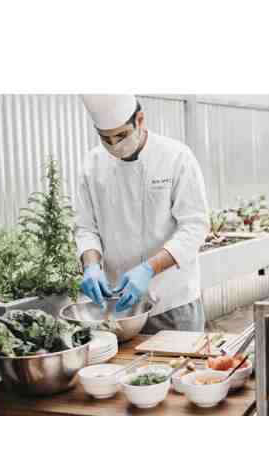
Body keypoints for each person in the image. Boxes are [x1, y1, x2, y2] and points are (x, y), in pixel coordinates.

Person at [76, 94, 209, 333]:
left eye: (121, 136)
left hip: (172, 303)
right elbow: (86, 227)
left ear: (139, 119)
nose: (114, 146)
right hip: (119, 307)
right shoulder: (92, 165)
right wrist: (91, 266)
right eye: (105, 138)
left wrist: (149, 269)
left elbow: (195, 226)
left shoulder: (176, 157)